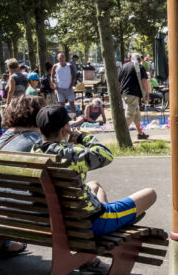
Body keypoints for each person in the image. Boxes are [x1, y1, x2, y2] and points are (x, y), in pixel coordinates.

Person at [34, 105, 156, 249]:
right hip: (88, 223)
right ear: (64, 128)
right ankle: (119, 222)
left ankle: (116, 218)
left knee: (94, 185)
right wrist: (81, 137)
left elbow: (54, 148)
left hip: (56, 220)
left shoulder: (33, 151)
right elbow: (105, 155)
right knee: (150, 194)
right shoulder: (69, 154)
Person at [117, 52, 150, 140]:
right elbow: (144, 81)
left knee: (136, 115)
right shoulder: (140, 66)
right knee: (130, 114)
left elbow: (119, 80)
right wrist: (147, 94)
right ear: (139, 60)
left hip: (124, 93)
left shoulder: (123, 66)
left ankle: (140, 133)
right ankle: (122, 136)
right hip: (133, 93)